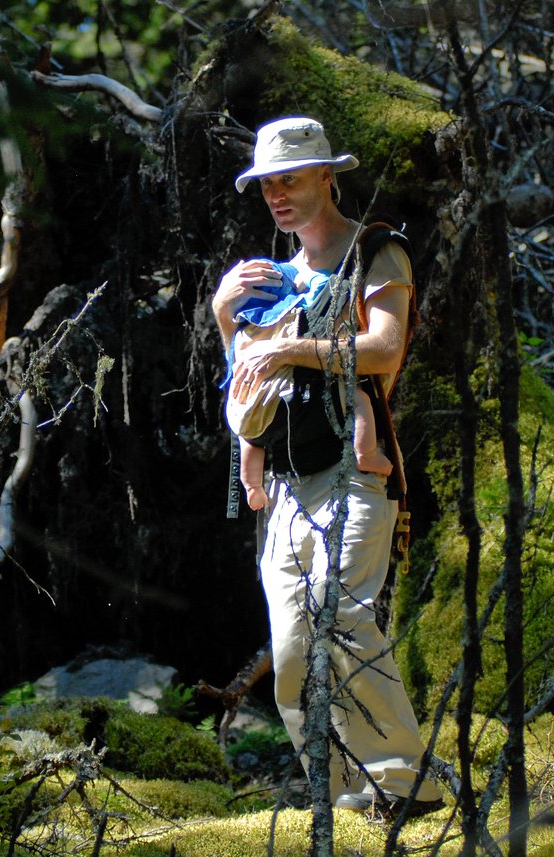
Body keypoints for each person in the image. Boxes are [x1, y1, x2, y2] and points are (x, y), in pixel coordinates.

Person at [211, 116, 444, 817]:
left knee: (343, 619)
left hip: (356, 471)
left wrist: (293, 349)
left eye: (290, 178)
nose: (277, 195)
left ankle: (403, 786)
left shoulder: (377, 253)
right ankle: (343, 797)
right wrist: (226, 317)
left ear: (326, 176)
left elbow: (385, 349)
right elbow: (246, 385)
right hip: (283, 489)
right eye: (266, 184)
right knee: (291, 653)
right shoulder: (269, 278)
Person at [222, 260, 392, 511]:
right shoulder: (288, 314)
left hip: (248, 413)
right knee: (358, 398)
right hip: (287, 401)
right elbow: (318, 286)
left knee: (250, 439)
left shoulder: (244, 331)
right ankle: (366, 454)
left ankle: (252, 486)